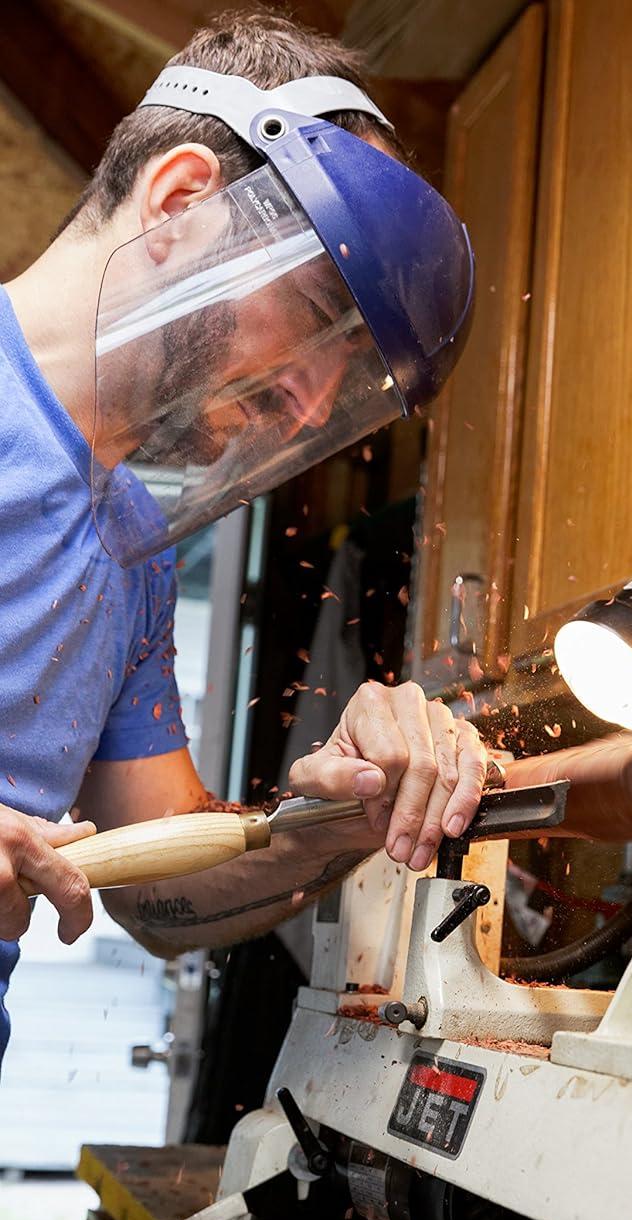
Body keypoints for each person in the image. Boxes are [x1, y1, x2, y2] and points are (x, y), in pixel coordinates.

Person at [0, 7, 487, 1070]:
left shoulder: (129, 545)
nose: (314, 409)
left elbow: (156, 894)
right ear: (180, 201)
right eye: (315, 313)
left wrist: (350, 809)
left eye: (345, 369)